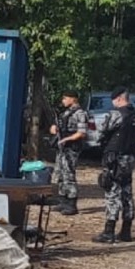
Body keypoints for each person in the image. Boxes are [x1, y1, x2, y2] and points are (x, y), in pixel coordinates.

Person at [92, 86, 135, 243]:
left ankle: (109, 231)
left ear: (118, 98)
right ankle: (126, 231)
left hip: (115, 158)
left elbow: (101, 132)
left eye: (113, 100)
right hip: (129, 158)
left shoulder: (117, 114)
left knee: (112, 192)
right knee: (127, 194)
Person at [49, 88, 88, 216]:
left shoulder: (80, 113)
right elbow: (58, 126)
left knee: (69, 175)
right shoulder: (66, 113)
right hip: (62, 148)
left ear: (73, 99)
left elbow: (81, 133)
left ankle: (71, 204)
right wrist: (54, 128)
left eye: (65, 98)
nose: (63, 101)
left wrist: (67, 139)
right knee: (60, 174)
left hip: (71, 148)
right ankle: (62, 200)